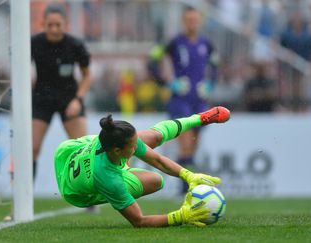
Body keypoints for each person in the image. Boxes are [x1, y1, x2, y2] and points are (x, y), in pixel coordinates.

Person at [54, 106, 230, 227]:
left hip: (67, 153)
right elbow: (139, 221)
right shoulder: (108, 180)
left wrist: (189, 175)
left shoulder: (112, 136)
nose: (136, 145)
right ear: (117, 150)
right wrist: (180, 217)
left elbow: (158, 160)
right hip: (74, 191)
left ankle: (198, 118)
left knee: (153, 137)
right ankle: (123, 167)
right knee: (155, 181)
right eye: (132, 146)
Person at [148, 6, 218, 193]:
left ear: (200, 21)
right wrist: (168, 83)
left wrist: (210, 84)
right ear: (183, 21)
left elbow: (216, 65)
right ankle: (185, 190)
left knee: (193, 146)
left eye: (194, 20)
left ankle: (188, 186)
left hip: (199, 101)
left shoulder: (206, 43)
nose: (191, 23)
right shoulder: (174, 42)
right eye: (188, 20)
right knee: (186, 144)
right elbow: (152, 61)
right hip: (180, 101)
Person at [31, 4, 91, 179]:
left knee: (82, 149)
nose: (54, 29)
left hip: (69, 98)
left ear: (66, 24)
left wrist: (77, 100)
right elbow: (21, 71)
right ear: (43, 24)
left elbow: (87, 76)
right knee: (32, 148)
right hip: (42, 98)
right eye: (50, 25)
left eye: (58, 25)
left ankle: (88, 196)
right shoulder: (34, 43)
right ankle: (25, 197)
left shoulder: (75, 45)